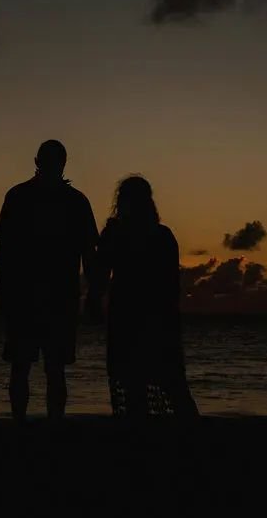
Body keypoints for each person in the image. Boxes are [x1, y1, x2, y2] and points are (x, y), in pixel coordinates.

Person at [0, 140, 100, 423]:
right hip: (50, 298)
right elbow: (89, 256)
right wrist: (94, 295)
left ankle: (26, 423)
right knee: (49, 369)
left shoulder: (20, 197)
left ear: (36, 161)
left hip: (34, 298)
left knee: (28, 367)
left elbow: (4, 255)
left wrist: (4, 294)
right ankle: (51, 424)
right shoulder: (73, 201)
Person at [91, 175, 198, 420]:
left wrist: (94, 300)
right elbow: (172, 287)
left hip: (130, 319)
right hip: (158, 320)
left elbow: (99, 274)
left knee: (134, 388)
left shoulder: (120, 235)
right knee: (171, 385)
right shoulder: (162, 236)